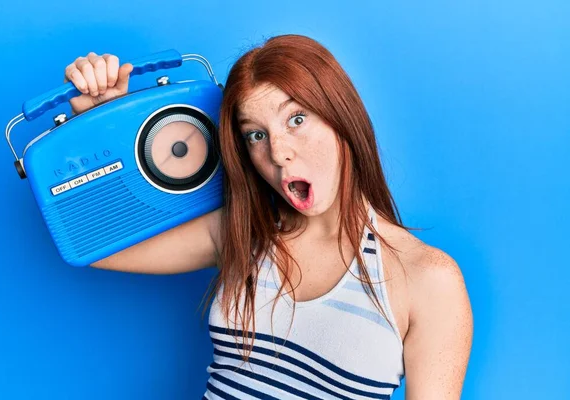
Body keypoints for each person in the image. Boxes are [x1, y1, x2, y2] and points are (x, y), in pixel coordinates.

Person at [64, 34, 473, 399]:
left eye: (296, 119)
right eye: (256, 135)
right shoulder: (245, 233)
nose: (278, 153)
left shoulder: (427, 278)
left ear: (341, 117)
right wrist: (100, 125)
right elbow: (90, 246)